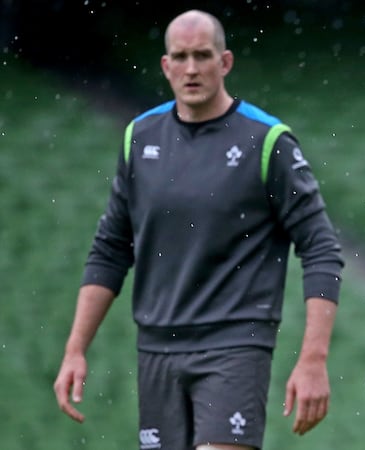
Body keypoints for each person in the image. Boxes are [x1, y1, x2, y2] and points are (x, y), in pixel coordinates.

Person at [53, 9, 344, 450]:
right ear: (166, 66)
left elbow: (321, 249)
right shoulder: (139, 138)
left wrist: (313, 359)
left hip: (235, 347)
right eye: (181, 57)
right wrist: (76, 348)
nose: (191, 68)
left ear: (224, 62)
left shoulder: (267, 142)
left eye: (202, 56)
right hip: (157, 351)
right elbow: (110, 249)